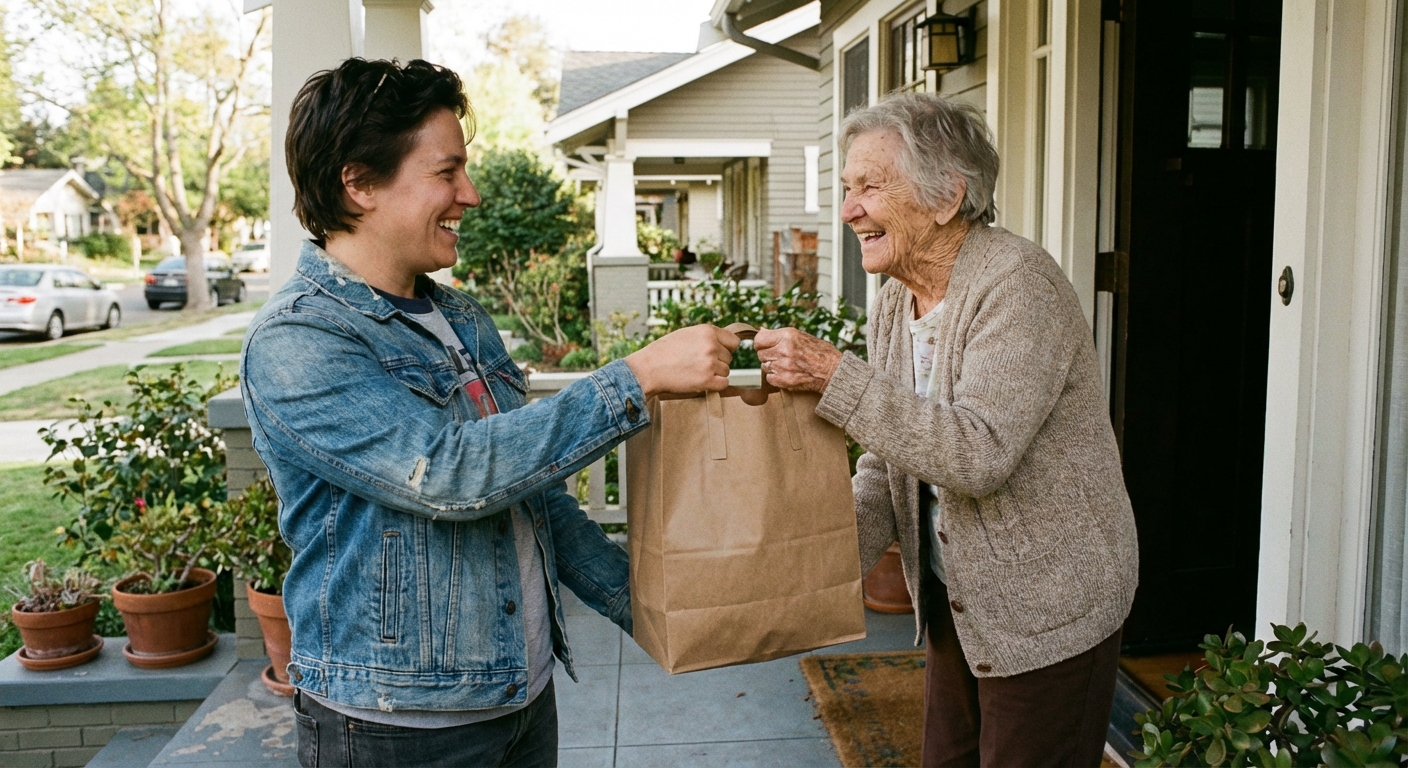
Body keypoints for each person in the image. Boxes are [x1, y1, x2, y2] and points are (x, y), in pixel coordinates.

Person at [241, 58, 738, 768]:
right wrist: (636, 378)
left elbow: (534, 497)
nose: (469, 195)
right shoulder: (299, 340)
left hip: (520, 700)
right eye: (447, 172)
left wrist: (657, 618)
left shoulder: (462, 320)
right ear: (359, 183)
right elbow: (449, 475)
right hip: (395, 728)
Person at [754, 92, 1139, 767]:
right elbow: (887, 458)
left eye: (869, 186)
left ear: (946, 197)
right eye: (847, 189)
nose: (848, 210)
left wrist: (833, 377)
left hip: (1047, 609)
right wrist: (817, 566)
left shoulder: (1018, 286)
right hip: (957, 599)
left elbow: (978, 452)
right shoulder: (897, 300)